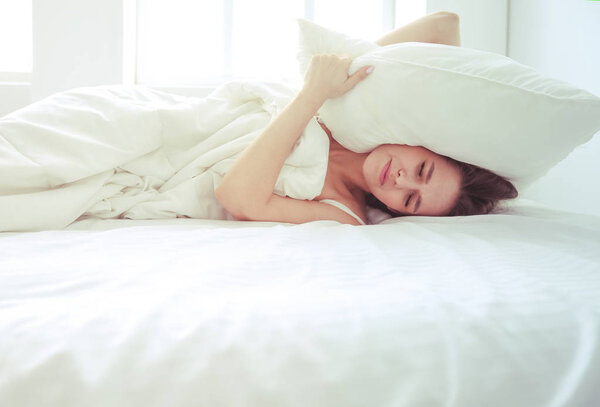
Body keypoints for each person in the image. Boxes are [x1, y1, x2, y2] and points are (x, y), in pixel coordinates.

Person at [215, 11, 518, 225]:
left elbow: (238, 197)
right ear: (424, 143)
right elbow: (443, 24)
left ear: (396, 210)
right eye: (422, 169)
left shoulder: (344, 212)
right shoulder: (350, 105)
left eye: (411, 200)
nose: (402, 182)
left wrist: (311, 95)